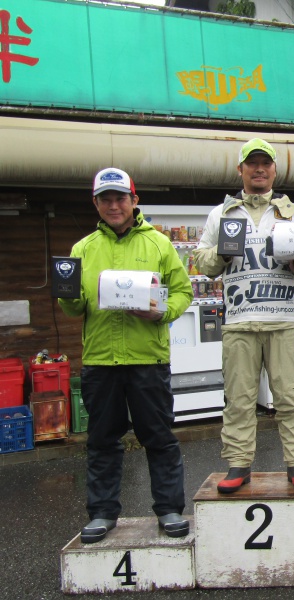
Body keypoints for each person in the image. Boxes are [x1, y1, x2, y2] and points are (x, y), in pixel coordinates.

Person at [59, 167, 193, 543]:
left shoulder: (159, 245)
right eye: (106, 199)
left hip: (148, 358)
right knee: (102, 439)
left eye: (121, 198)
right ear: (96, 204)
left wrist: (160, 311)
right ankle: (102, 513)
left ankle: (168, 509)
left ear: (134, 201)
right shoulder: (82, 249)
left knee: (159, 437)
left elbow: (183, 292)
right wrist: (66, 293)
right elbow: (72, 309)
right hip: (100, 361)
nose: (114, 205)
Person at [194, 138, 294, 493]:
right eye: (252, 163)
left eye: (265, 163)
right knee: (239, 398)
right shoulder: (222, 214)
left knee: (291, 396)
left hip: (282, 321)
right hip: (239, 322)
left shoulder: (292, 213)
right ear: (241, 170)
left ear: (275, 170)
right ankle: (238, 464)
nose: (259, 169)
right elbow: (203, 264)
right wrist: (220, 253)